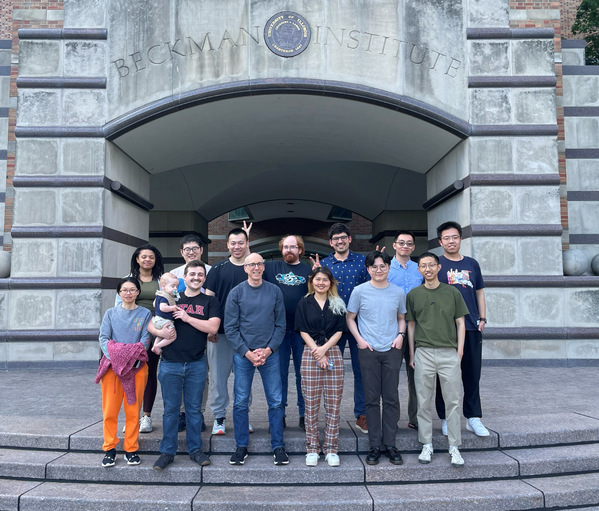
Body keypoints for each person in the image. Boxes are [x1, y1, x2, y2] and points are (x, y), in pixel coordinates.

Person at [153, 260, 222, 470]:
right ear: (185, 277)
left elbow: (213, 327)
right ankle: (167, 452)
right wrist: (159, 332)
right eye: (192, 274)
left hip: (196, 363)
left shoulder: (210, 301)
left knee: (194, 410)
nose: (196, 277)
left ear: (204, 278)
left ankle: (195, 450)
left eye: (200, 274)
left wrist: (187, 317)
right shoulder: (171, 296)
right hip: (170, 363)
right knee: (170, 410)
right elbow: (151, 322)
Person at [224, 253, 288, 466]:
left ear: (263, 267)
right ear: (245, 268)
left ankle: (278, 446)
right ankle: (241, 446)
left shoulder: (274, 291)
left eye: (259, 264)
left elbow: (280, 325)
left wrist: (268, 350)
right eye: (251, 264)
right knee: (241, 401)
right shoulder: (236, 293)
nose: (256, 268)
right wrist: (247, 352)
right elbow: (230, 328)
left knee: (276, 401)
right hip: (244, 354)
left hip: (270, 353)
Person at [407, 252, 469, 467]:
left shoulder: (452, 292)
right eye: (423, 266)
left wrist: (459, 351)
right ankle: (426, 444)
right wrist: (412, 353)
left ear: (439, 267)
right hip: (423, 352)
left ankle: (454, 446)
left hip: (448, 352)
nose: (428, 269)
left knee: (452, 401)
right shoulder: (414, 295)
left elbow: (461, 323)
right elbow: (411, 325)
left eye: (431, 265)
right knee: (423, 401)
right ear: (419, 270)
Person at [346, 250, 406, 466]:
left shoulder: (398, 292)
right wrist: (359, 340)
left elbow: (401, 317)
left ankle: (390, 444)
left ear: (388, 268)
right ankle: (374, 446)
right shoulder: (359, 291)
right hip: (368, 350)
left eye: (383, 266)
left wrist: (401, 336)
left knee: (391, 397)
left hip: (392, 349)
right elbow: (350, 318)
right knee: (371, 399)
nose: (379, 270)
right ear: (368, 269)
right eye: (374, 267)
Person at [434, 221, 489, 437]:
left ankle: (473, 418)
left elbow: (479, 292)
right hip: (445, 330)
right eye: (446, 238)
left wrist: (482, 318)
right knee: (445, 377)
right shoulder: (436, 264)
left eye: (455, 237)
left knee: (472, 375)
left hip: (471, 327)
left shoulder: (472, 264)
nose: (451, 241)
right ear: (440, 242)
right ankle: (446, 418)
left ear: (461, 239)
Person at [317, 223, 369, 435]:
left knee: (361, 370)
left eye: (343, 237)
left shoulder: (362, 262)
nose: (340, 241)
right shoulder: (325, 264)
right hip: (333, 325)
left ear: (349, 239)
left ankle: (362, 414)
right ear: (331, 242)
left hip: (359, 324)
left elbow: (370, 289)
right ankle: (331, 416)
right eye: (336, 238)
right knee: (330, 371)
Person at [96, 277, 152, 467]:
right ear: (119, 293)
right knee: (110, 410)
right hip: (111, 368)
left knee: (133, 411)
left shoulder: (145, 314)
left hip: (137, 368)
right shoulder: (110, 313)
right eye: (124, 290)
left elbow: (145, 341)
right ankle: (109, 448)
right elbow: (104, 339)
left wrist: (129, 358)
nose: (128, 293)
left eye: (132, 289)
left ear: (138, 292)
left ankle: (131, 448)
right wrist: (119, 358)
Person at [204, 227, 253, 435]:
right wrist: (210, 327)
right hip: (220, 333)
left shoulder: (252, 268)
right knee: (218, 376)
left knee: (244, 378)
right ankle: (219, 417)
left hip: (247, 335)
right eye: (233, 243)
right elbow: (209, 299)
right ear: (227, 245)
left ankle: (243, 416)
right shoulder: (218, 268)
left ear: (247, 244)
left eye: (241, 242)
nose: (237, 247)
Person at [295, 267, 346, 467]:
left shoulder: (338, 303)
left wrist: (324, 350)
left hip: (332, 351)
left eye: (325, 280)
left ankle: (331, 449)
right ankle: (312, 449)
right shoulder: (304, 303)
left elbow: (340, 331)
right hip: (310, 352)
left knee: (333, 404)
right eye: (318, 279)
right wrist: (318, 351)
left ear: (330, 283)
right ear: (312, 282)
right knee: (311, 404)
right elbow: (302, 329)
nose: (321, 283)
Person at [264, 234, 312, 429]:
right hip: (279, 331)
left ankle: (304, 415)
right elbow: (251, 262)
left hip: (302, 331)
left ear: (300, 250)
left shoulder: (309, 271)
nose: (288, 250)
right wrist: (246, 241)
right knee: (279, 374)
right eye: (285, 247)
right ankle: (279, 415)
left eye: (292, 247)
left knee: (304, 375)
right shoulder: (271, 267)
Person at [170, 233, 211, 432]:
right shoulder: (174, 274)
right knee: (179, 374)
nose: (191, 252)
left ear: (201, 250)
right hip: (179, 333)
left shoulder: (211, 272)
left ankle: (198, 412)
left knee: (202, 376)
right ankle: (181, 413)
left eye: (195, 248)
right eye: (187, 249)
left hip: (204, 332)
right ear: (181, 252)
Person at [125, 244, 165, 433]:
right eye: (144, 257)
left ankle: (146, 416)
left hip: (154, 332)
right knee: (131, 375)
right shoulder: (128, 280)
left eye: (151, 257)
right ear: (137, 259)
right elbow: (119, 307)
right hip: (132, 332)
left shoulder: (161, 280)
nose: (147, 260)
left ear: (155, 260)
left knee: (149, 373)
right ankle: (131, 416)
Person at [388, 231, 423, 430]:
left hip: (417, 328)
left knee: (417, 376)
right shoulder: (385, 268)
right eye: (401, 243)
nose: (405, 246)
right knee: (391, 377)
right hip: (392, 329)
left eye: (409, 243)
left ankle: (416, 418)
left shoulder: (419, 269)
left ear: (413, 247)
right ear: (394, 245)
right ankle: (392, 419)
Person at [151, 272, 180, 355]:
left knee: (161, 335)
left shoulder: (159, 294)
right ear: (163, 286)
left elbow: (154, 304)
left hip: (157, 320)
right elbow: (162, 308)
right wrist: (172, 308)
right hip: (164, 320)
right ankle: (158, 346)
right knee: (172, 336)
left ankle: (155, 345)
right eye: (172, 286)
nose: (175, 289)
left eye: (176, 286)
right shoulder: (165, 297)